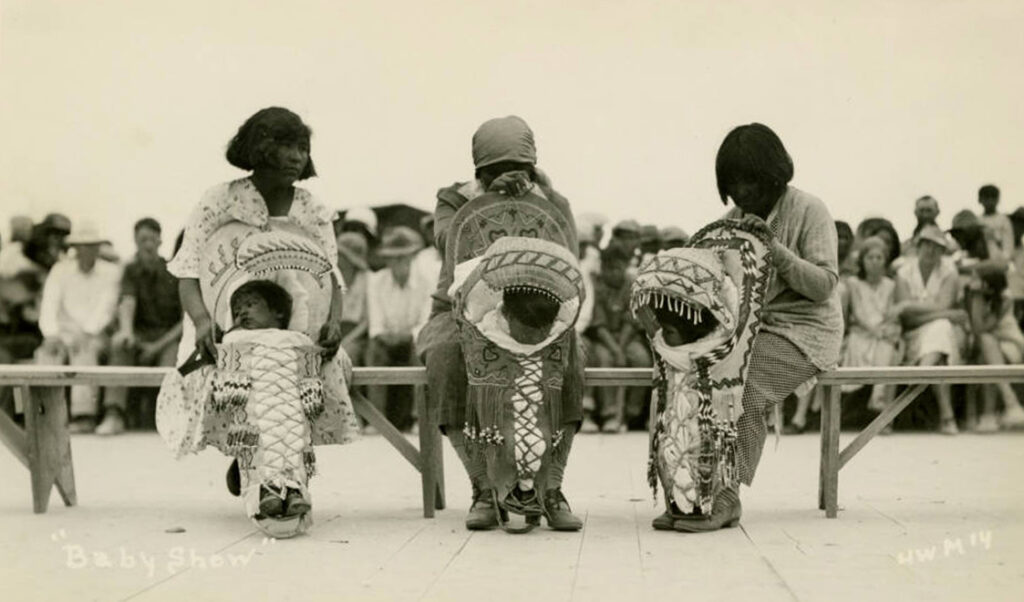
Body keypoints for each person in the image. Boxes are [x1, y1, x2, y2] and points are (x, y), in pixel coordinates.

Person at [154, 107, 359, 536]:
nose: (297, 156)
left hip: (298, 327)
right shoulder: (219, 200)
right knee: (238, 368)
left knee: (298, 370)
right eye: (286, 146)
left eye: (302, 147)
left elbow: (330, 278)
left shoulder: (312, 209)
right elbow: (188, 272)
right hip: (223, 325)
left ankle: (286, 478)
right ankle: (258, 468)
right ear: (261, 148)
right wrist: (201, 321)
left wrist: (333, 323)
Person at [417, 115, 584, 532]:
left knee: (572, 356)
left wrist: (535, 200)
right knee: (445, 354)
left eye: (519, 168)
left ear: (533, 167)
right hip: (457, 309)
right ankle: (483, 488)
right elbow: (449, 242)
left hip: (533, 308)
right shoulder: (453, 199)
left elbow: (569, 255)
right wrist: (491, 204)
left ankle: (551, 486)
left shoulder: (553, 201)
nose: (508, 176)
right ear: (479, 171)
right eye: (495, 171)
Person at [675, 122, 843, 532]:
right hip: (749, 333)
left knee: (742, 389)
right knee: (690, 380)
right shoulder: (731, 220)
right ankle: (689, 490)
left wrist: (775, 249)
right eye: (732, 182)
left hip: (805, 332)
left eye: (748, 179)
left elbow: (823, 286)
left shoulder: (810, 210)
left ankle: (726, 497)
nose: (740, 190)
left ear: (773, 174)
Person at [35, 223, 122, 433]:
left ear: (98, 247)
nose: (87, 250)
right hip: (62, 333)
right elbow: (49, 304)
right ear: (75, 247)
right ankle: (42, 415)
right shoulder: (60, 270)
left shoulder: (111, 272)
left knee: (85, 352)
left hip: (94, 334)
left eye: (92, 245)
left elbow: (106, 309)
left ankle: (84, 416)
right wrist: (51, 335)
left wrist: (87, 333)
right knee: (45, 354)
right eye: (83, 245)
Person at [101, 218, 183, 436]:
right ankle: (114, 414)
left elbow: (184, 321)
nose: (147, 245)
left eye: (151, 239)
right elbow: (127, 302)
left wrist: (156, 346)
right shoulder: (131, 270)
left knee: (173, 355)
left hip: (167, 338)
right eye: (142, 240)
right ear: (135, 242)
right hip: (139, 336)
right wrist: (126, 332)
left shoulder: (174, 271)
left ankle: (167, 418)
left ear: (160, 241)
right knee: (120, 344)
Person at [894, 224, 968, 435]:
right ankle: (947, 417)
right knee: (941, 332)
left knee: (940, 330)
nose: (931, 250)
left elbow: (941, 305)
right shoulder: (903, 273)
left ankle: (920, 377)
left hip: (943, 335)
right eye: (926, 244)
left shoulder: (949, 272)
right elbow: (907, 320)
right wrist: (945, 314)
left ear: (943, 250)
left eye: (937, 246)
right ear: (918, 246)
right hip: (912, 335)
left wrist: (909, 304)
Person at [365, 226, 431, 432]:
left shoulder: (426, 281)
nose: (398, 263)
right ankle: (377, 420)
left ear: (412, 257)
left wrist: (408, 336)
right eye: (392, 258)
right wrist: (386, 336)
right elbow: (376, 325)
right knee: (374, 351)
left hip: (412, 339)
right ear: (387, 260)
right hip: (386, 340)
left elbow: (425, 322)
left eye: (402, 257)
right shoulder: (376, 281)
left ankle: (419, 418)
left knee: (420, 349)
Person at [584, 240, 652, 432]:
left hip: (627, 338)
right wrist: (615, 350)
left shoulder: (632, 284)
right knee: (605, 360)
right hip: (604, 338)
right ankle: (609, 414)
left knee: (641, 359)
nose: (613, 273)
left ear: (625, 267)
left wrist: (621, 348)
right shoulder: (596, 285)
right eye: (609, 268)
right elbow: (598, 324)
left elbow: (631, 320)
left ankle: (632, 413)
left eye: (618, 268)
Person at [838, 237, 902, 414]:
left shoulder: (891, 285)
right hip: (861, 333)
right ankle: (877, 396)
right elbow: (858, 314)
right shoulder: (854, 283)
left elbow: (891, 314)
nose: (874, 262)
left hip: (883, 333)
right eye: (870, 257)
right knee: (871, 343)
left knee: (887, 346)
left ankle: (878, 397)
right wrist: (876, 331)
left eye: (879, 257)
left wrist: (884, 330)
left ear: (885, 261)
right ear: (862, 260)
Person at [966, 271, 1024, 432]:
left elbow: (980, 329)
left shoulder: (1005, 298)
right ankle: (1007, 407)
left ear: (988, 284)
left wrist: (976, 298)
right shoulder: (971, 295)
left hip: (1010, 343)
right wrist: (975, 297)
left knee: (986, 346)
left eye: (976, 278)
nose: (971, 281)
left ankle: (992, 413)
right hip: (987, 345)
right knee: (985, 349)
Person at [336, 232, 369, 368]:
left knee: (348, 354)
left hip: (358, 335)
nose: (339, 259)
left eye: (343, 255)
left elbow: (366, 322)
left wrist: (347, 341)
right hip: (335, 332)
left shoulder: (368, 280)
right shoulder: (331, 278)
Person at [977, 185, 1015, 259]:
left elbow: (1008, 246)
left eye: (993, 197)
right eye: (986, 197)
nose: (990, 201)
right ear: (980, 199)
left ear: (998, 200)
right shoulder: (977, 221)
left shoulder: (1003, 220)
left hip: (999, 259)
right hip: (981, 260)